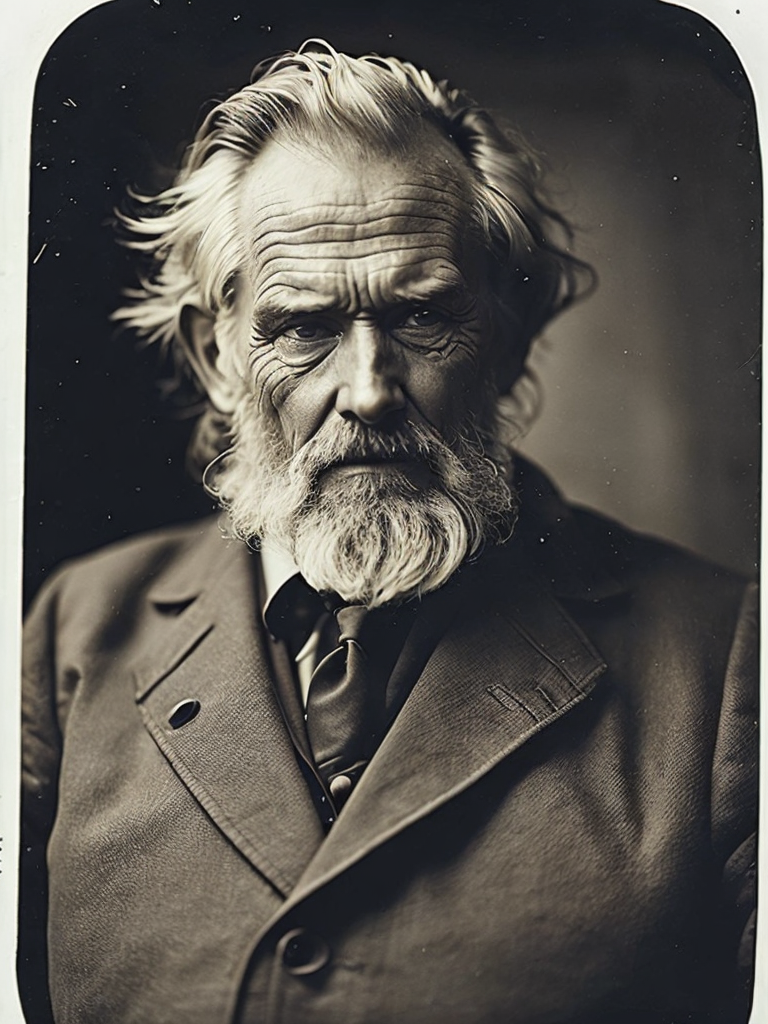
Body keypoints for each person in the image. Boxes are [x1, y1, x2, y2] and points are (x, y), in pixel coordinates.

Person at [19, 41, 757, 1024]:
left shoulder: (721, 656)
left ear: (507, 332)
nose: (367, 390)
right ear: (215, 355)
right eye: (304, 327)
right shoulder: (71, 634)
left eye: (422, 316)